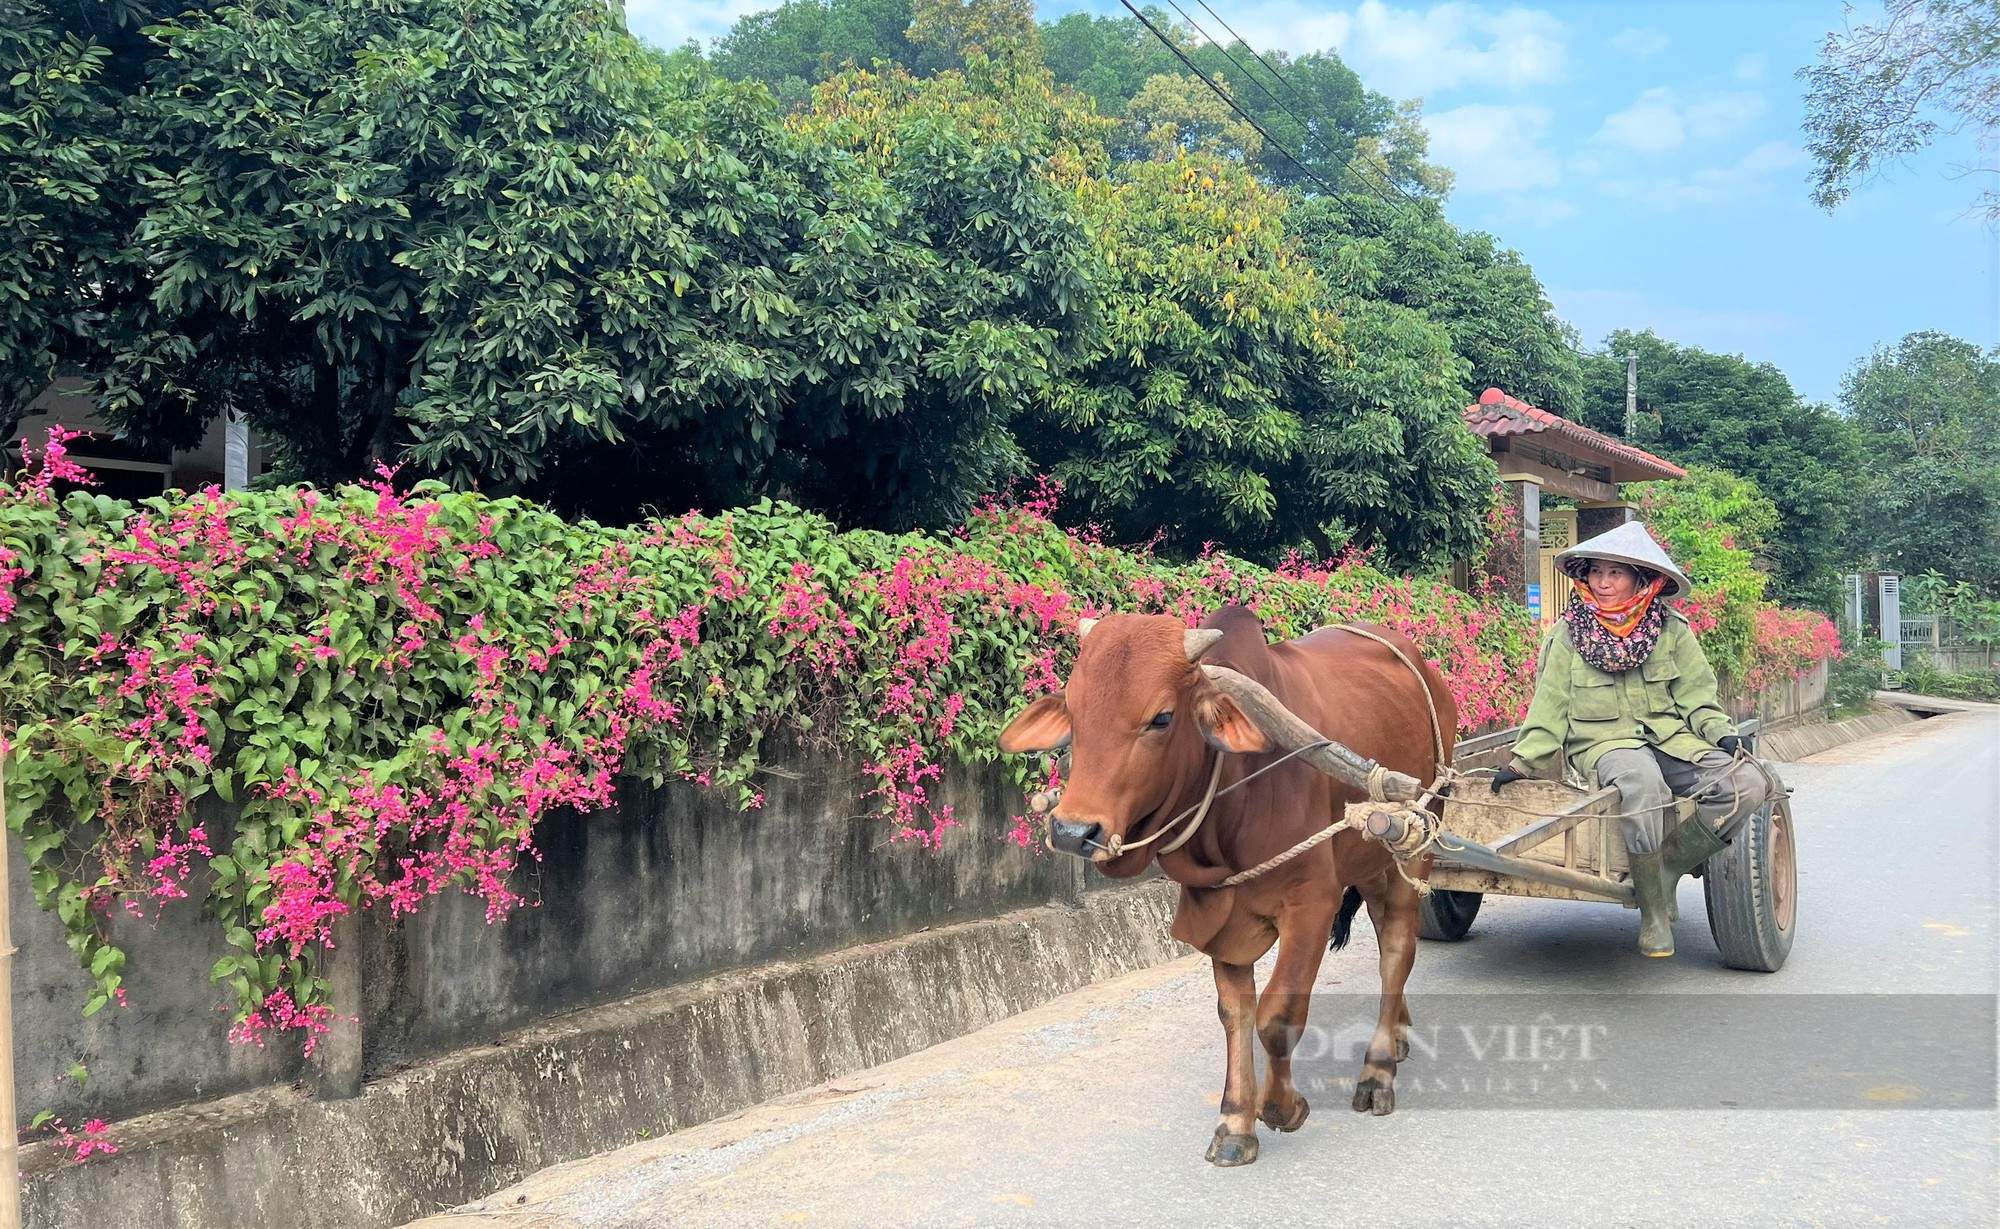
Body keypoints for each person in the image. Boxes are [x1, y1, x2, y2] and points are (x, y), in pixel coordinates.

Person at [1489, 521, 1773, 957]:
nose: (1603, 583)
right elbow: (1549, 708)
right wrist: (1521, 763)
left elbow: (1697, 698)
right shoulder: (1568, 634)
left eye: (1615, 573)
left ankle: (1666, 870)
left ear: (1642, 580)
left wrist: (1723, 735)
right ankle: (1654, 912)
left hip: (1672, 738)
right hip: (1605, 743)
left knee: (1750, 783)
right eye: (1596, 572)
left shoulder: (1672, 630)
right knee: (1643, 784)